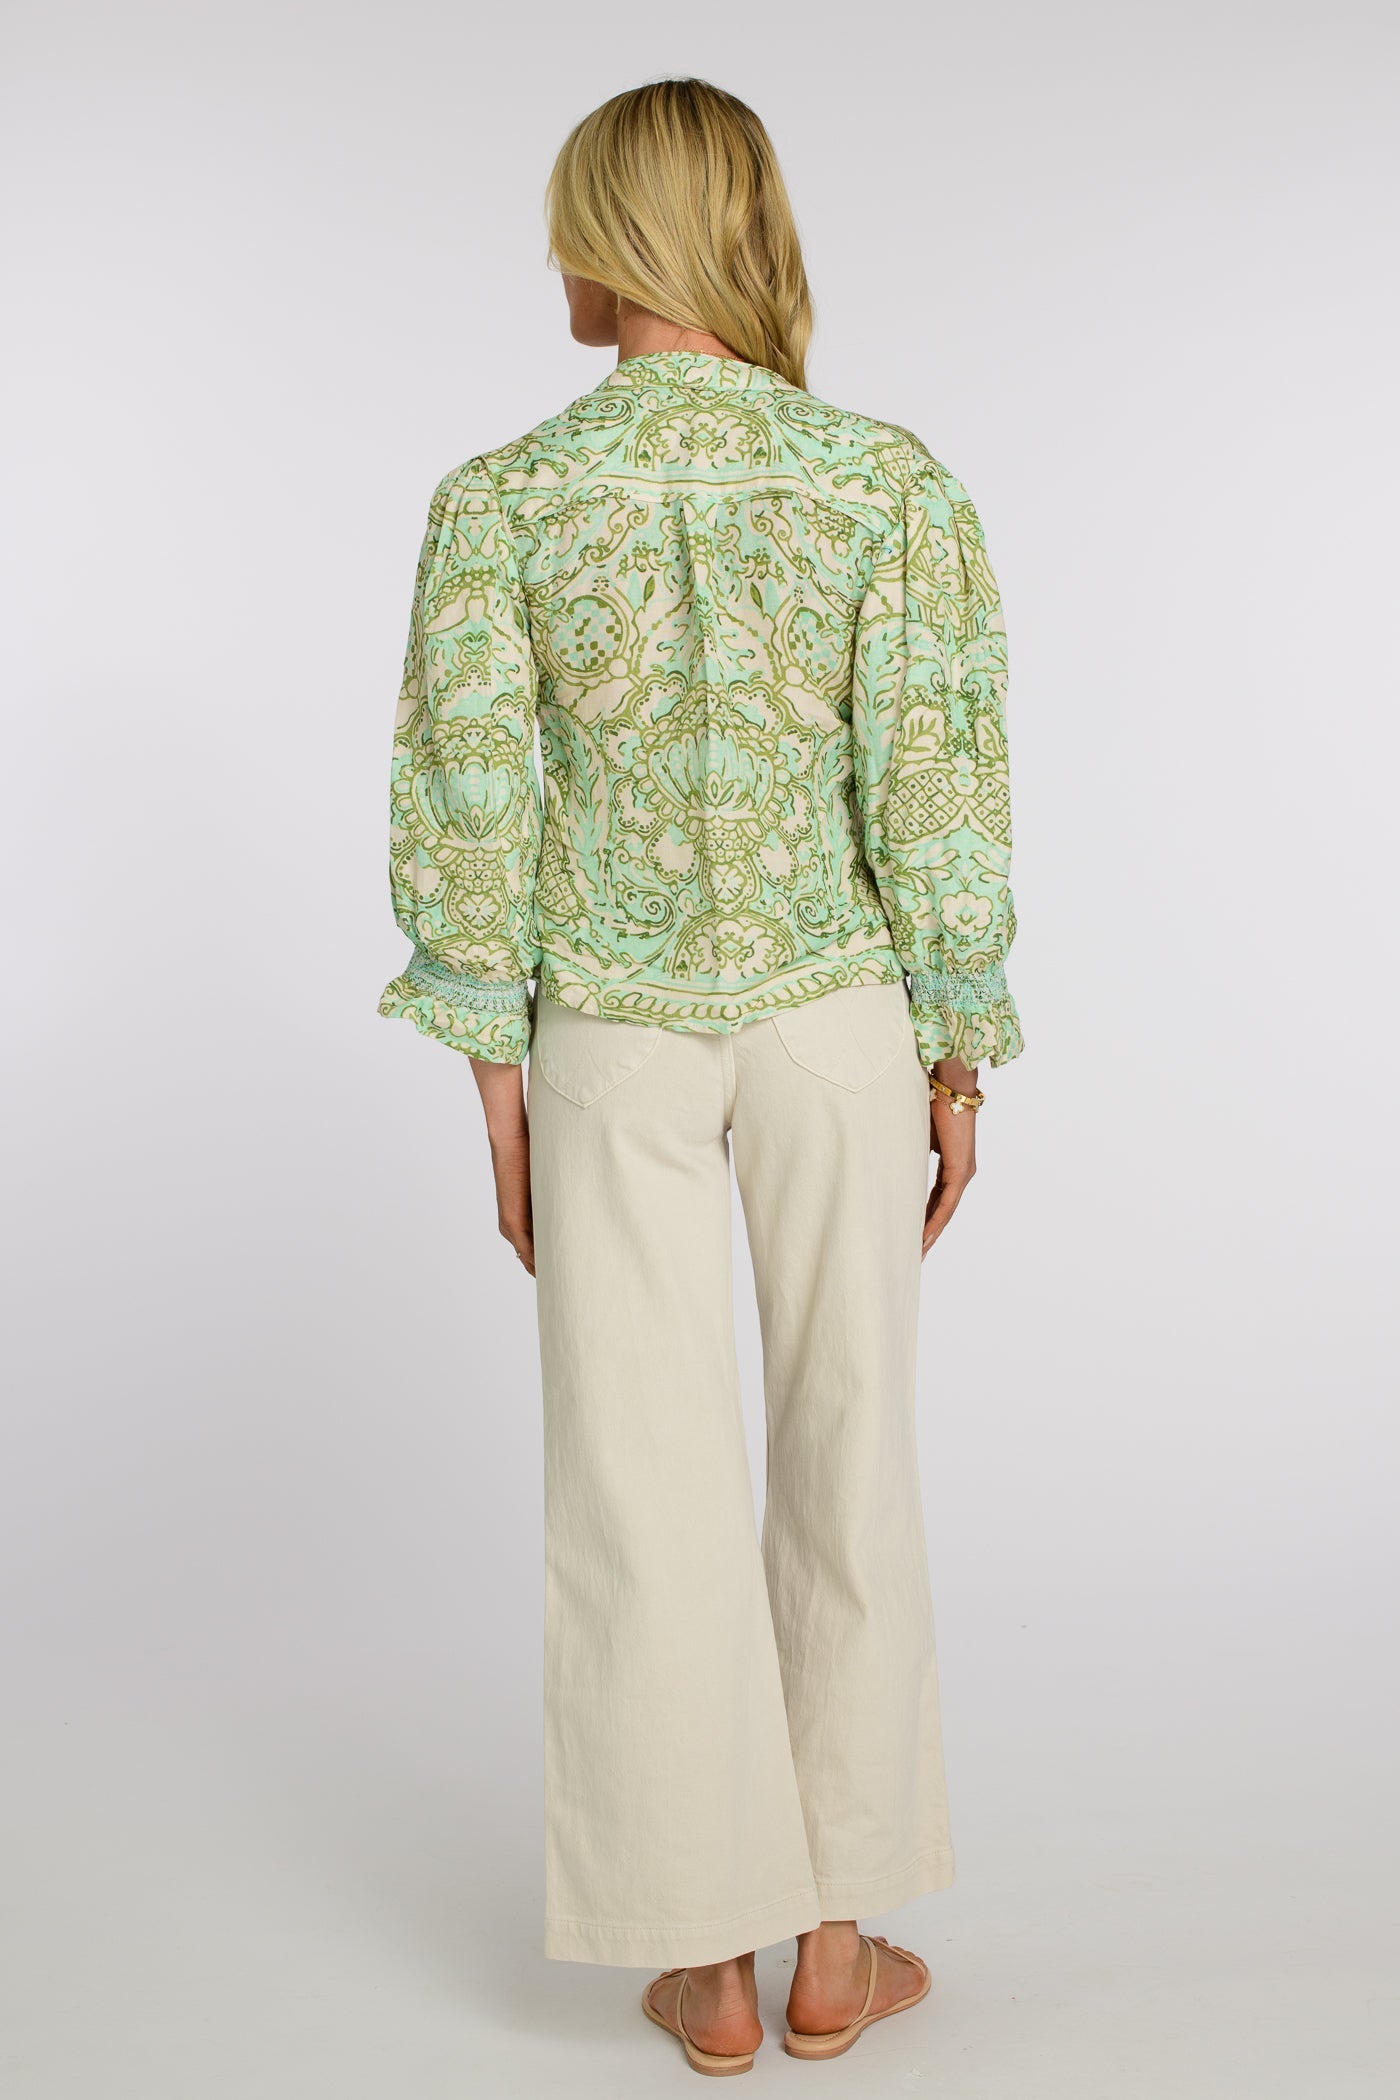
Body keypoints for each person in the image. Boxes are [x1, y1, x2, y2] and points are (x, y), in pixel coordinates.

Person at [378, 76, 1022, 2076]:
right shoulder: (883, 484)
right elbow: (936, 791)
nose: (550, 261)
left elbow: (471, 809)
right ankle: (835, 1951)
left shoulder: (503, 500)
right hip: (836, 1019)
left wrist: (495, 1083)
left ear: (614, 240)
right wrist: (957, 1052)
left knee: (638, 1490)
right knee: (852, 1452)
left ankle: (708, 1972)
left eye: (567, 225)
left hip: (610, 1034)